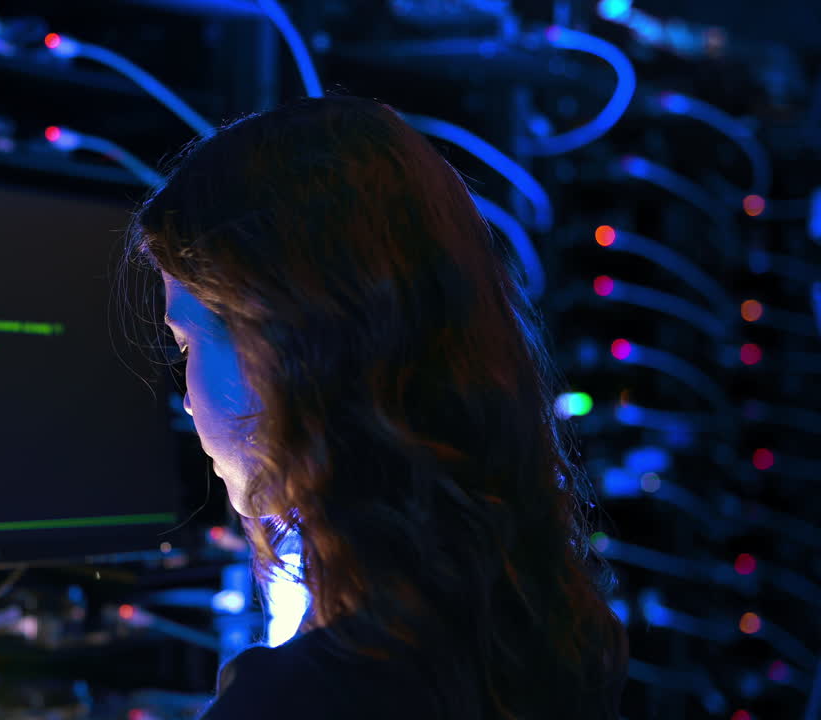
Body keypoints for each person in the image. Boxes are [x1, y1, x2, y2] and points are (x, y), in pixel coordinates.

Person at [117, 94, 628, 719]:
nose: (188, 404)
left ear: (282, 348)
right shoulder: (551, 622)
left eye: (187, 341)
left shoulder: (299, 699)